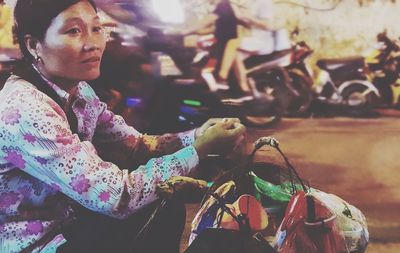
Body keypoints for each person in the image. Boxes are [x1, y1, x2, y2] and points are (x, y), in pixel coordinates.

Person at [0, 0, 246, 252]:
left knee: (162, 206)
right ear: (33, 45)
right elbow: (115, 196)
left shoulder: (80, 91)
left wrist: (198, 135)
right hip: (39, 244)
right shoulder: (24, 108)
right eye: (73, 31)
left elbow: (134, 145)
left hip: (70, 221)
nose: (93, 43)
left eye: (96, 28)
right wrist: (197, 150)